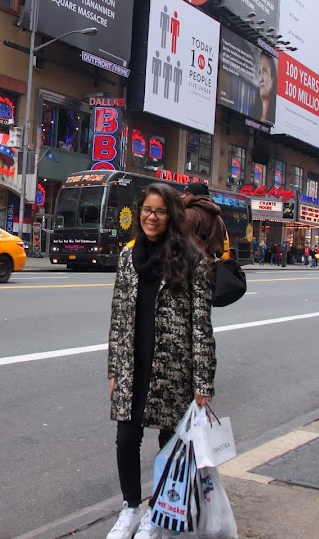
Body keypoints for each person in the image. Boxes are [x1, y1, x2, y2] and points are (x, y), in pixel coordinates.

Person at [106, 183, 216, 539]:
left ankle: (159, 513)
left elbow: (201, 325)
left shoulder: (192, 259)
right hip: (133, 363)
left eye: (160, 211)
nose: (151, 217)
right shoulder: (128, 257)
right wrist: (114, 369)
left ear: (172, 215)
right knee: (126, 439)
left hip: (173, 367)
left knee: (170, 444)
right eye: (147, 210)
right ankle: (131, 508)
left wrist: (203, 382)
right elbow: (119, 316)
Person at [181, 181, 226, 258]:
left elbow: (182, 241)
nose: (183, 196)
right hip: (213, 262)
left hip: (194, 262)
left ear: (197, 196)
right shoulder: (218, 218)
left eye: (187, 194)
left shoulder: (190, 214)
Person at [256, 52, 277, 122]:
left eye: (264, 71)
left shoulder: (276, 117)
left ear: (273, 79)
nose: (261, 79)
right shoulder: (253, 113)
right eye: (259, 72)